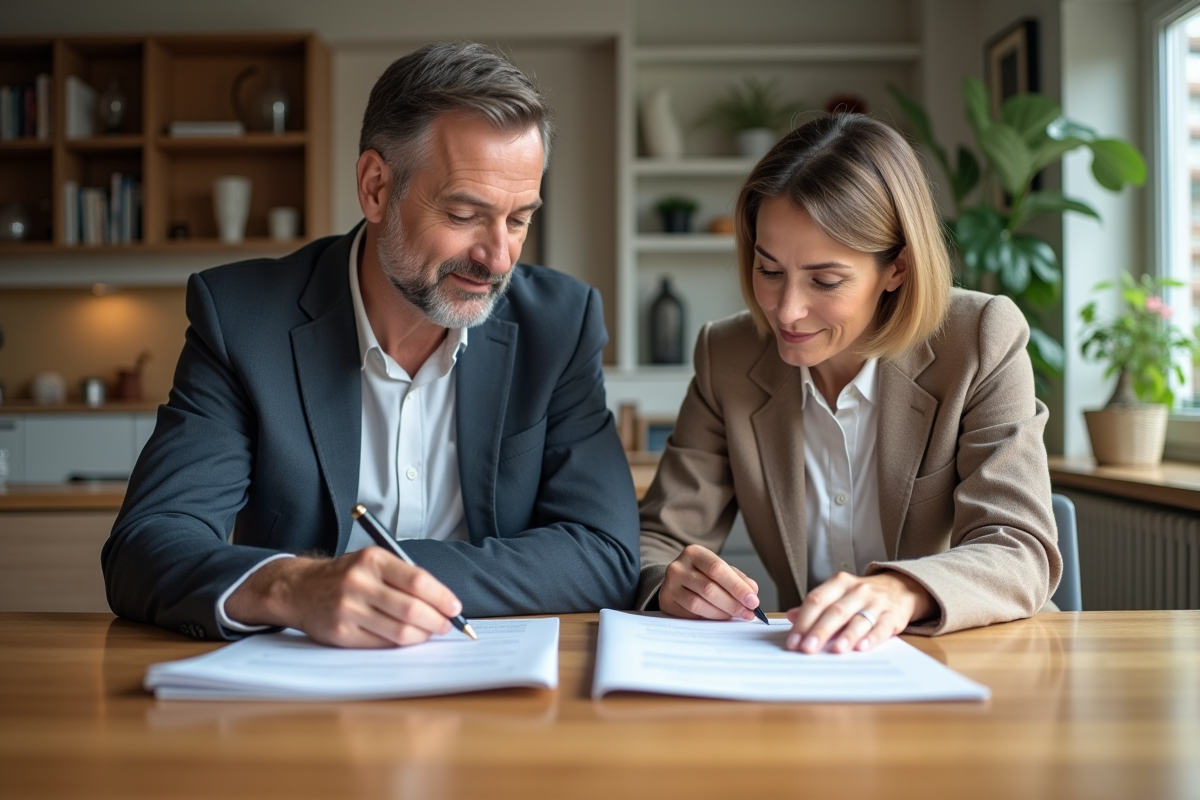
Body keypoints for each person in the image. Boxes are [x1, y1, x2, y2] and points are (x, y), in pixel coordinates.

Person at [102, 42, 639, 646]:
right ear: (377, 187)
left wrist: (378, 579)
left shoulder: (560, 325)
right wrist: (295, 587)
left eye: (518, 219)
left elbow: (603, 552)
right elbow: (147, 543)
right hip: (300, 688)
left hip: (493, 682)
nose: (500, 257)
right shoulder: (243, 320)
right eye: (466, 214)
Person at [638, 113, 1061, 654]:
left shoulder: (979, 338)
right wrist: (672, 581)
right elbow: (661, 538)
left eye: (826, 280)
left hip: (974, 659)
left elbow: (1019, 546)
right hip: (818, 668)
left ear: (898, 268)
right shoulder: (728, 355)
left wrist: (901, 591)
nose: (786, 310)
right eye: (769, 271)